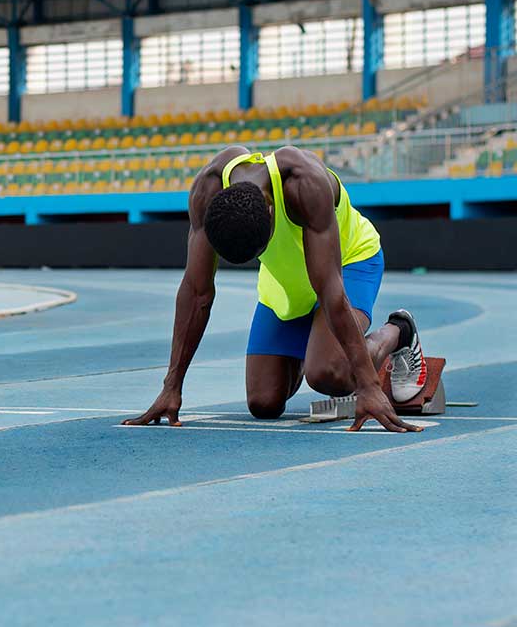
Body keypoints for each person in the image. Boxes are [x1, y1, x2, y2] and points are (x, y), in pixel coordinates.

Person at [123, 145, 427, 433]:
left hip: (348, 263)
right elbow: (196, 292)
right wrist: (171, 386)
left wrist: (368, 386)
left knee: (327, 373)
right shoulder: (208, 188)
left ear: (269, 211)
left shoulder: (304, 182)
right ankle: (319, 343)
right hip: (284, 280)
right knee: (263, 402)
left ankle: (399, 331)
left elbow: (330, 290)